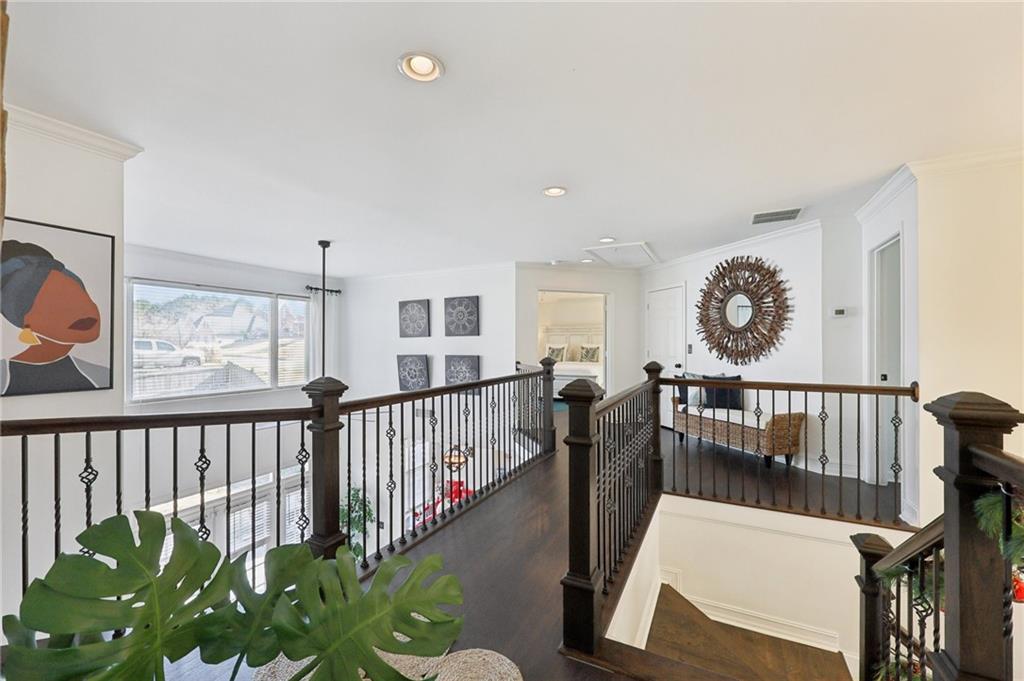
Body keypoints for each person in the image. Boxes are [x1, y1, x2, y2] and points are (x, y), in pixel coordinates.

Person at [1, 240, 109, 395]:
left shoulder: (100, 375)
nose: (80, 310)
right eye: (57, 303)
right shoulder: (4, 378)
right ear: (25, 321)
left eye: (80, 296)